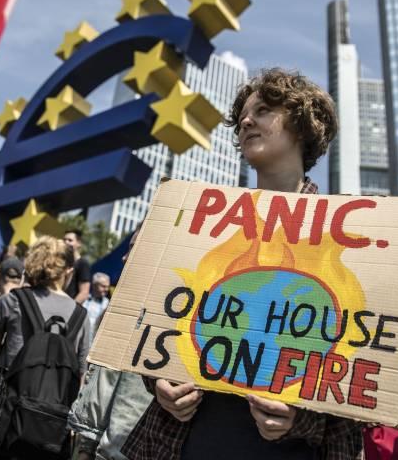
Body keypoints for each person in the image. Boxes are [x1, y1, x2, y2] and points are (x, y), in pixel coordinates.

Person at [122, 68, 363, 459]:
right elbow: (154, 324)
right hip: (185, 443)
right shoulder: (202, 227)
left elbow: (359, 373)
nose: (246, 121)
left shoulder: (348, 239)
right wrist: (158, 382)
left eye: (264, 110)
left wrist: (299, 419)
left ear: (303, 126)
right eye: (244, 116)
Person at [0, 235, 91, 459]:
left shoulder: (12, 301)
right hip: (51, 426)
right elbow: (81, 378)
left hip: (4, 415)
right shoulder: (82, 316)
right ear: (68, 271)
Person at [69, 226, 155, 460]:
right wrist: (85, 445)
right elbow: (100, 384)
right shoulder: (119, 309)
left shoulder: (155, 322)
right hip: (91, 442)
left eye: (133, 249)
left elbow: (129, 408)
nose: (124, 258)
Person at [64, 229, 91, 304]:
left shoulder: (82, 263)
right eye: (64, 240)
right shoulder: (62, 262)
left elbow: (84, 293)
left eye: (70, 240)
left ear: (79, 243)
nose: (66, 242)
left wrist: (70, 309)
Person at [83, 272, 110, 336]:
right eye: (103, 286)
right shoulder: (85, 299)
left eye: (107, 287)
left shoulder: (108, 304)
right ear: (94, 285)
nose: (106, 289)